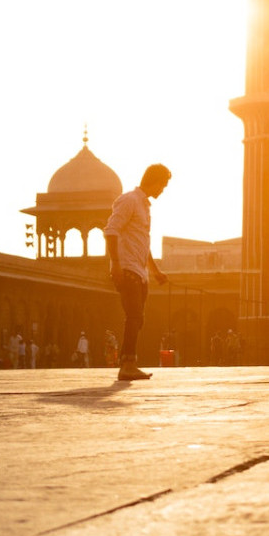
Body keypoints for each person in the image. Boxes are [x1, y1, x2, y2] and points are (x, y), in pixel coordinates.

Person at [105, 163, 171, 381]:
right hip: (127, 268)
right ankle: (127, 364)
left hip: (139, 271)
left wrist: (155, 271)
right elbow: (111, 231)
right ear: (155, 181)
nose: (163, 190)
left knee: (138, 318)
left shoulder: (144, 206)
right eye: (163, 185)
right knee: (134, 316)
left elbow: (143, 243)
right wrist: (115, 264)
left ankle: (128, 362)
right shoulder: (130, 201)